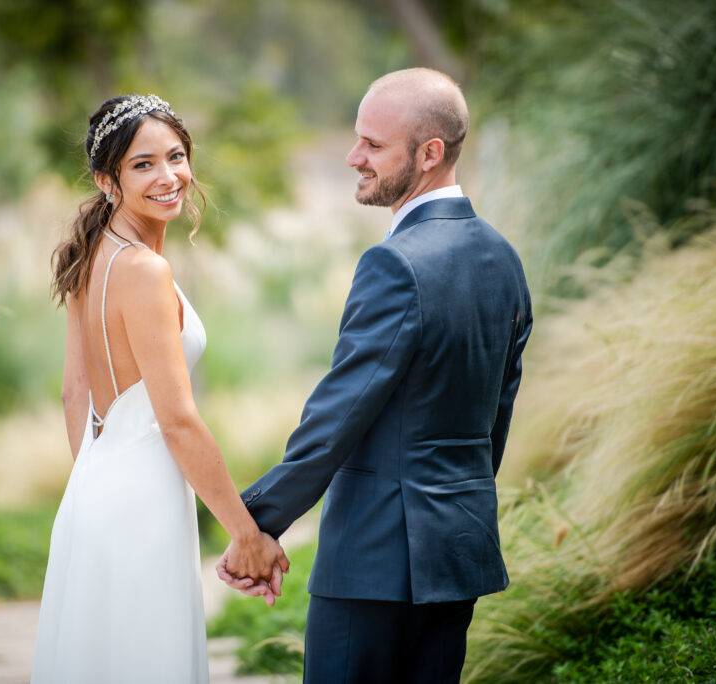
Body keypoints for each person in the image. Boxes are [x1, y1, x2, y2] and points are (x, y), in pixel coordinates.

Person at [217, 68, 533, 683]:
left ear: (430, 153)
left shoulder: (394, 263)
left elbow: (338, 415)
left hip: (373, 558)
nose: (352, 156)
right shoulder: (503, 259)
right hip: (457, 552)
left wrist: (255, 525)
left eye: (373, 145)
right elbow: (497, 412)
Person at [32, 94, 289, 683]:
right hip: (142, 503)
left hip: (94, 490)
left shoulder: (91, 255)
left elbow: (76, 394)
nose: (169, 176)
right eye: (143, 164)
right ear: (106, 180)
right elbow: (177, 420)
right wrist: (245, 535)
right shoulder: (145, 271)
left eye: (176, 156)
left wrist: (97, 488)